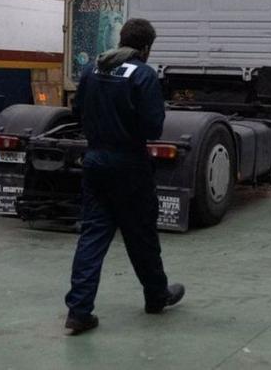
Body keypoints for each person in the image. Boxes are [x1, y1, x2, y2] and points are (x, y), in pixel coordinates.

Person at [64, 18, 184, 335]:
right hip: (129, 165)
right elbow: (153, 128)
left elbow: (77, 112)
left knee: (93, 236)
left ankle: (78, 312)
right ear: (145, 48)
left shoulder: (92, 69)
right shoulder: (143, 75)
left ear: (121, 39)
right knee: (141, 234)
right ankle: (156, 296)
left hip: (95, 162)